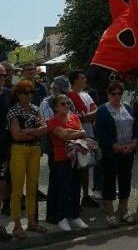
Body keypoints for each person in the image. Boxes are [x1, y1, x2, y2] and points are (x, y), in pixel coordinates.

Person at [7, 80, 48, 239]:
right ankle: (17, 225)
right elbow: (16, 135)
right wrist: (35, 131)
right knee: (17, 190)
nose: (29, 95)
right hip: (19, 149)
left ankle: (31, 222)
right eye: (25, 92)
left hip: (34, 149)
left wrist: (28, 130)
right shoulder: (13, 111)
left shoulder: (35, 109)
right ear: (18, 94)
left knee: (32, 187)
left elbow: (44, 130)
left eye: (31, 92)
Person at [95, 81, 138, 227]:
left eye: (119, 93)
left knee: (125, 180)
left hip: (128, 151)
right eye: (113, 93)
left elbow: (135, 126)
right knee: (109, 181)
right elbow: (100, 132)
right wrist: (114, 146)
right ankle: (110, 213)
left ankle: (124, 210)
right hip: (112, 152)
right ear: (108, 95)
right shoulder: (102, 110)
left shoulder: (127, 107)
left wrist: (134, 142)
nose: (117, 96)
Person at [47, 94, 89, 232]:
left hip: (76, 157)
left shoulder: (75, 117)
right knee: (63, 188)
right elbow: (63, 135)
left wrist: (72, 132)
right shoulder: (52, 121)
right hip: (61, 158)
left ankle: (75, 215)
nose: (67, 106)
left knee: (76, 187)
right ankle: (61, 217)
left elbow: (82, 132)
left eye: (68, 103)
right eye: (63, 104)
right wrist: (77, 132)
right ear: (55, 107)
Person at [38, 75, 75, 224]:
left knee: (66, 180)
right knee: (55, 180)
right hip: (53, 146)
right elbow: (51, 125)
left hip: (68, 145)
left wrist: (70, 131)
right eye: (63, 91)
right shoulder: (46, 103)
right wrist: (69, 131)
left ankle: (65, 212)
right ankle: (52, 214)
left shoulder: (67, 101)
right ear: (56, 88)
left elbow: (73, 119)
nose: (66, 94)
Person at [68, 70, 98, 208]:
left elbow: (94, 111)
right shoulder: (69, 96)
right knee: (76, 166)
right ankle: (75, 197)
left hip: (88, 132)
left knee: (86, 165)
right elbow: (77, 116)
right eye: (82, 77)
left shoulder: (86, 95)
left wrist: (87, 116)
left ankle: (85, 195)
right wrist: (88, 116)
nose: (85, 80)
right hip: (76, 133)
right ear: (75, 80)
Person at [0, 65, 12, 241]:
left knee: (1, 185)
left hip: (4, 147)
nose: (2, 77)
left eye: (3, 74)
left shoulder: (9, 93)